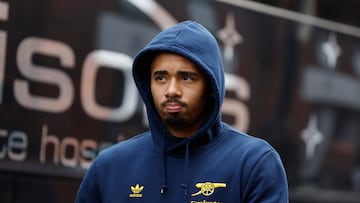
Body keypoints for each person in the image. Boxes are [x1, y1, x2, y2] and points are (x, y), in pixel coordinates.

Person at [75, 21, 288, 202]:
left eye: (186, 78)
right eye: (161, 78)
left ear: (211, 88)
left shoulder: (254, 163)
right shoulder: (109, 167)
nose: (171, 91)